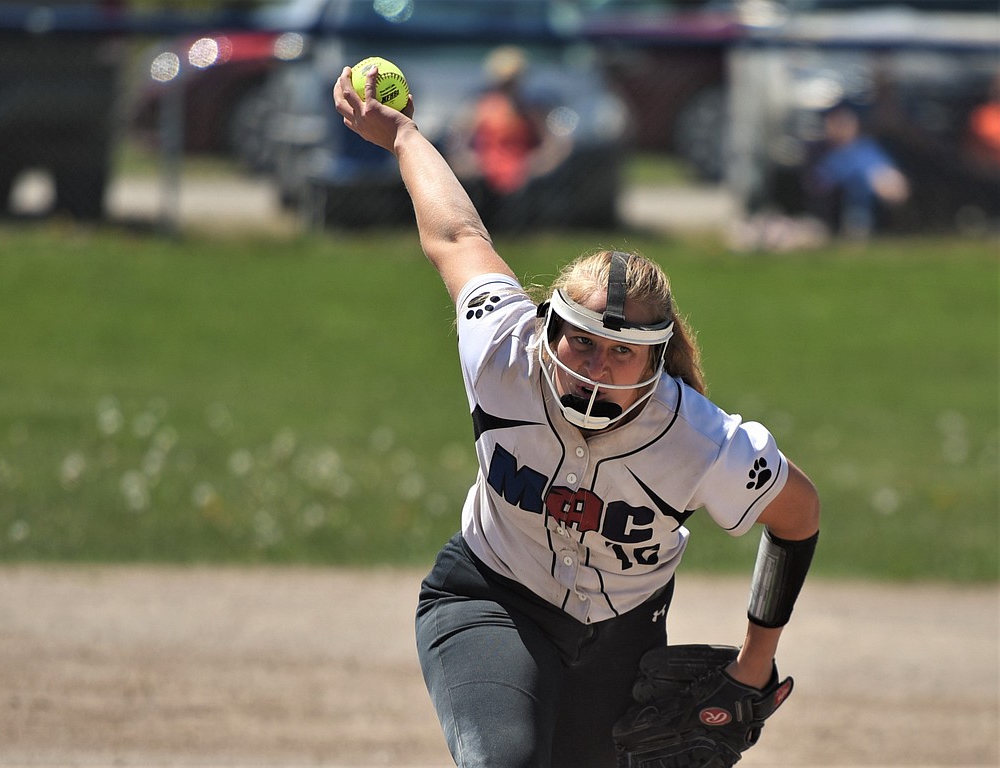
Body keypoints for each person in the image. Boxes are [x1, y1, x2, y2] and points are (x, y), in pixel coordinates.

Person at [332, 65, 821, 767]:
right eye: (581, 340)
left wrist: (753, 666)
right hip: (492, 599)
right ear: (549, 324)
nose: (594, 363)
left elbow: (798, 516)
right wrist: (405, 135)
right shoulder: (504, 352)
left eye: (621, 352)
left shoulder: (703, 441)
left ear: (657, 359)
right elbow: (458, 236)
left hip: (623, 645)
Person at [446, 46, 572, 230]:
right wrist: (468, 160)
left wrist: (538, 162)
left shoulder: (532, 110)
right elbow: (457, 139)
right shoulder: (480, 107)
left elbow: (556, 143)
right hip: (487, 170)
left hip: (520, 170)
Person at [807, 101, 910, 239]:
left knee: (884, 181)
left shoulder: (866, 146)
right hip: (857, 200)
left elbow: (885, 169)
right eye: (837, 124)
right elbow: (820, 182)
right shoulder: (829, 155)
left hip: (878, 189)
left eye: (845, 124)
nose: (842, 129)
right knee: (864, 191)